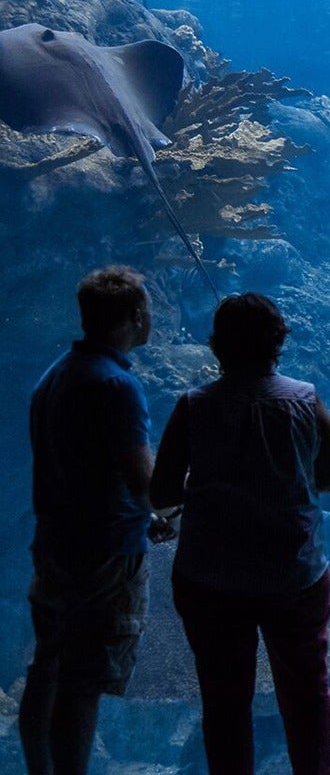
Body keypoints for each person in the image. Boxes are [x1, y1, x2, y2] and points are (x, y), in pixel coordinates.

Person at [150, 293, 330, 775]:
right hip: (294, 576)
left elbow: (162, 491)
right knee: (307, 693)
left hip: (210, 580)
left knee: (224, 700)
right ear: (279, 342)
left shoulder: (192, 407)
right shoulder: (306, 398)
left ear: (216, 346)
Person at [20, 266, 161, 775]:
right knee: (82, 685)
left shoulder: (54, 374)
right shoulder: (118, 386)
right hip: (104, 553)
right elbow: (143, 480)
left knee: (48, 667)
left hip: (54, 544)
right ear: (135, 316)